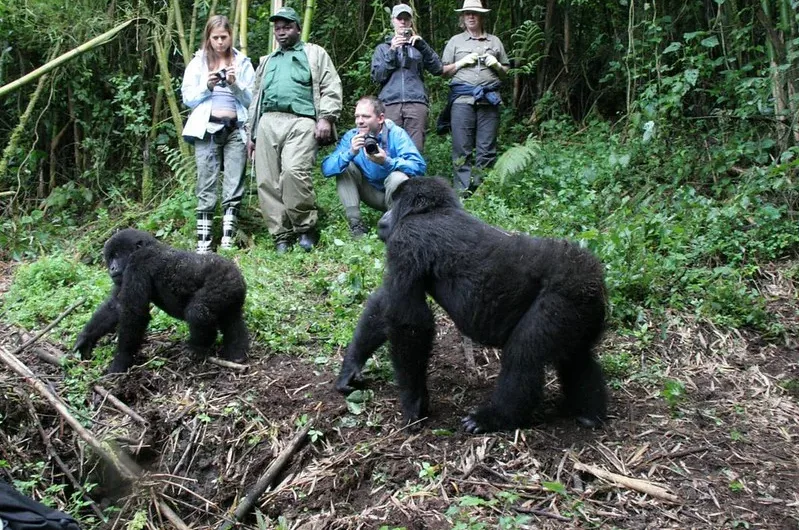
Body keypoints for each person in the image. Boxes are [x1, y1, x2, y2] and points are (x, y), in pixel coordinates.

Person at [246, 7, 343, 253]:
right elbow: (256, 98)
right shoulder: (267, 61)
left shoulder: (314, 54)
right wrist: (251, 134)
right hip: (267, 121)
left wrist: (326, 117)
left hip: (301, 120)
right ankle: (281, 235)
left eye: (287, 27)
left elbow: (331, 85)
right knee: (267, 180)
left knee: (293, 171)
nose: (281, 32)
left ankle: (305, 227)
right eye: (277, 28)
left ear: (298, 28)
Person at [182, 15, 255, 253]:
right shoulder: (198, 63)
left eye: (224, 37)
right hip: (207, 130)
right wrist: (208, 85)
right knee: (206, 184)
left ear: (231, 36)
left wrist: (234, 84)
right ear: (208, 38)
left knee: (234, 184)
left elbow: (252, 100)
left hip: (236, 129)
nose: (220, 42)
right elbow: (188, 98)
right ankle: (204, 243)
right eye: (215, 38)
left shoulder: (242, 62)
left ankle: (227, 241)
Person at [321, 96, 426, 238]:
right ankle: (356, 225)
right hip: (371, 192)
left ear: (380, 118)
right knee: (345, 167)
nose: (360, 121)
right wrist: (350, 153)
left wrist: (386, 161)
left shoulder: (396, 134)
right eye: (357, 116)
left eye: (365, 116)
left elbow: (419, 167)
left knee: (398, 177)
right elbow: (327, 169)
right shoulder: (351, 136)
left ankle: (396, 222)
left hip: (395, 193)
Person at [440, 0, 510, 194]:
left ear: (481, 16)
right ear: (463, 17)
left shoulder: (494, 41)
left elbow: (505, 71)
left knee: (486, 148)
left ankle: (482, 192)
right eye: (467, 13)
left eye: (475, 13)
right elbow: (444, 71)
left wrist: (496, 65)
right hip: (462, 101)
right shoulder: (455, 42)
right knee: (461, 147)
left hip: (489, 99)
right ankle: (462, 193)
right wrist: (461, 63)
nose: (471, 16)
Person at [370, 3, 442, 152]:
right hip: (390, 104)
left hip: (416, 103)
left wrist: (423, 46)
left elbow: (438, 68)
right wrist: (392, 51)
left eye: (406, 18)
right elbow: (377, 77)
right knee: (389, 148)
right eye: (399, 18)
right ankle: (391, 176)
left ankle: (413, 176)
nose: (403, 22)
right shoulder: (382, 48)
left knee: (415, 150)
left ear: (411, 21)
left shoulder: (419, 46)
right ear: (392, 20)